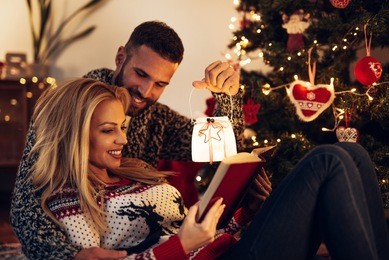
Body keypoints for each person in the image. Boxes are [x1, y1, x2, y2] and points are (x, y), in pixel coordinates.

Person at [15, 78, 389, 260]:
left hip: (227, 250)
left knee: (350, 152)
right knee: (328, 159)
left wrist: (247, 213)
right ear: (73, 136)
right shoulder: (69, 199)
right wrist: (181, 246)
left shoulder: (133, 173)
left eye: (123, 128)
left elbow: (205, 233)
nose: (122, 140)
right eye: (109, 130)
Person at [11, 20, 244, 259]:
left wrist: (229, 97)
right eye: (141, 74)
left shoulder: (156, 118)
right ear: (121, 57)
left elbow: (224, 147)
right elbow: (25, 206)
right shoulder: (69, 112)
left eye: (160, 84)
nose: (146, 90)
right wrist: (72, 255)